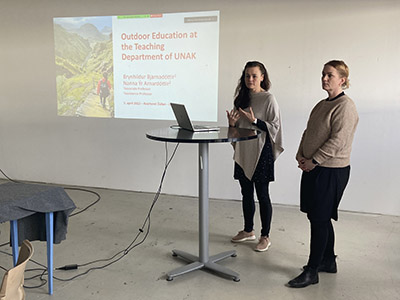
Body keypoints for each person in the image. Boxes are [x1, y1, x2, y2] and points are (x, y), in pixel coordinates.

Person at [288, 60, 359, 288]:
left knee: (319, 219)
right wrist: (301, 155)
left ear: (343, 80)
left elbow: (339, 140)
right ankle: (328, 261)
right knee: (318, 216)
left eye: (330, 75)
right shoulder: (321, 104)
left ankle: (312, 271)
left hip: (331, 170)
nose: (324, 78)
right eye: (323, 74)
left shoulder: (346, 106)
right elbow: (309, 131)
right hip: (314, 167)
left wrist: (315, 160)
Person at [226, 61, 284, 252]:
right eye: (247, 76)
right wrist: (232, 124)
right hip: (244, 150)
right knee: (245, 192)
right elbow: (237, 130)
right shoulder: (241, 99)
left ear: (262, 77)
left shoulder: (268, 99)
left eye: (254, 76)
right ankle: (248, 230)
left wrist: (255, 121)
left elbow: (275, 127)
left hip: (261, 152)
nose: (250, 79)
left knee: (262, 194)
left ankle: (265, 236)